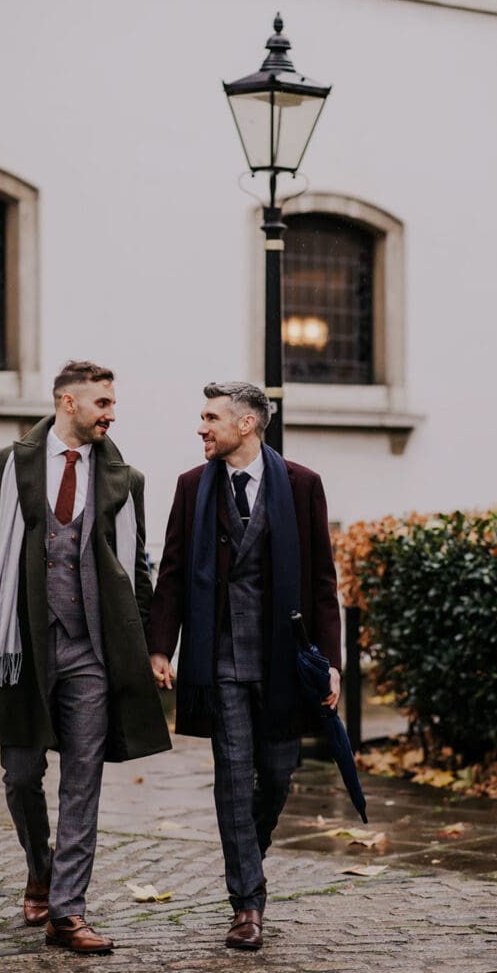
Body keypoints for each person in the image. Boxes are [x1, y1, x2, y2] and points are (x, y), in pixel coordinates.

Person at [0, 361, 171, 955]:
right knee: (20, 777)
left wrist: (151, 646)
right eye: (101, 403)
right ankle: (40, 866)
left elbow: (135, 569)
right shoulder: (9, 463)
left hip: (94, 649)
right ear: (67, 402)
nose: (111, 413)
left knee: (83, 782)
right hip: (23, 645)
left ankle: (67, 911)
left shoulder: (127, 478)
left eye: (112, 403)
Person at [148, 381, 341, 951]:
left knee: (278, 774)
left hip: (283, 660)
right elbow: (175, 572)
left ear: (247, 424)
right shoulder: (191, 488)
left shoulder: (303, 485)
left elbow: (323, 582)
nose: (201, 428)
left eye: (211, 418)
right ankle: (247, 902)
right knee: (232, 776)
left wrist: (329, 663)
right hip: (220, 658)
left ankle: (246, 854)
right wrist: (161, 646)